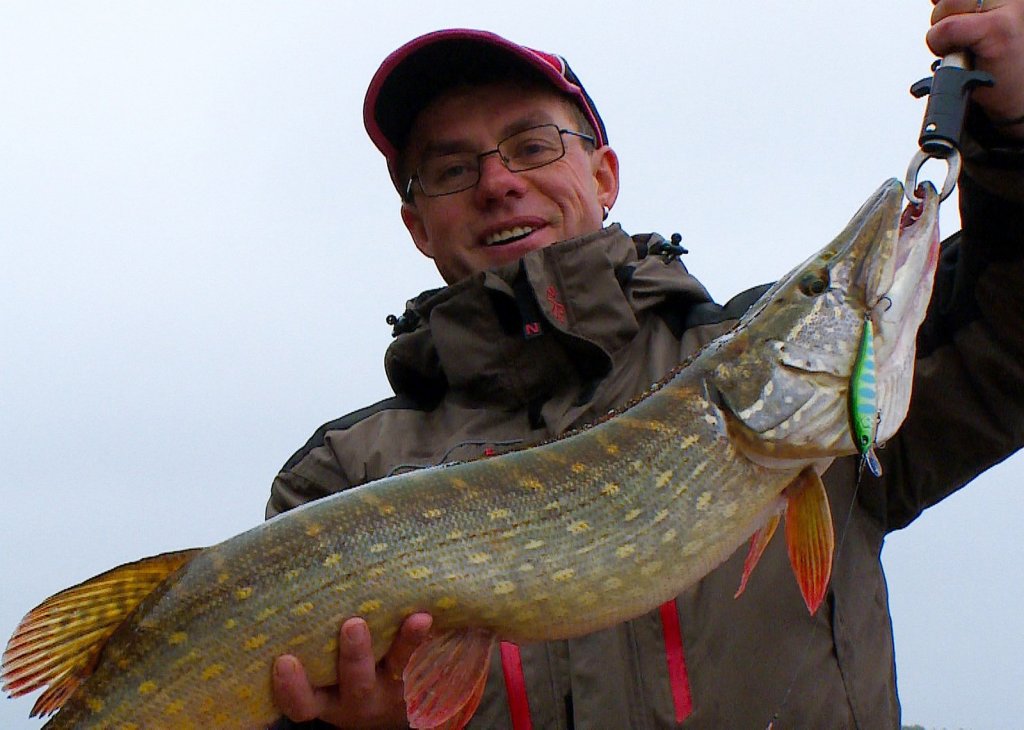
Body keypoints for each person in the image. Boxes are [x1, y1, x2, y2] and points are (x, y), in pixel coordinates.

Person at [265, 3, 1024, 728]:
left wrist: (1013, 125)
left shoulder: (822, 402)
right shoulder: (342, 474)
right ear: (417, 225)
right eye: (453, 170)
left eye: (532, 145)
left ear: (603, 176)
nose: (498, 183)